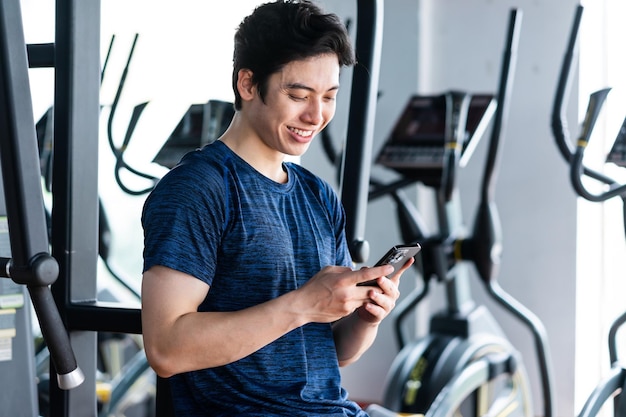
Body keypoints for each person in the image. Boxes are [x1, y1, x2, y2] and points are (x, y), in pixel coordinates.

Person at [140, 1, 414, 416]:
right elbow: (167, 348)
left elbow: (334, 351)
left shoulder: (317, 195)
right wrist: (304, 302)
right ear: (248, 84)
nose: (316, 115)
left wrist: (365, 317)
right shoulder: (197, 190)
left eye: (328, 97)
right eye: (298, 95)